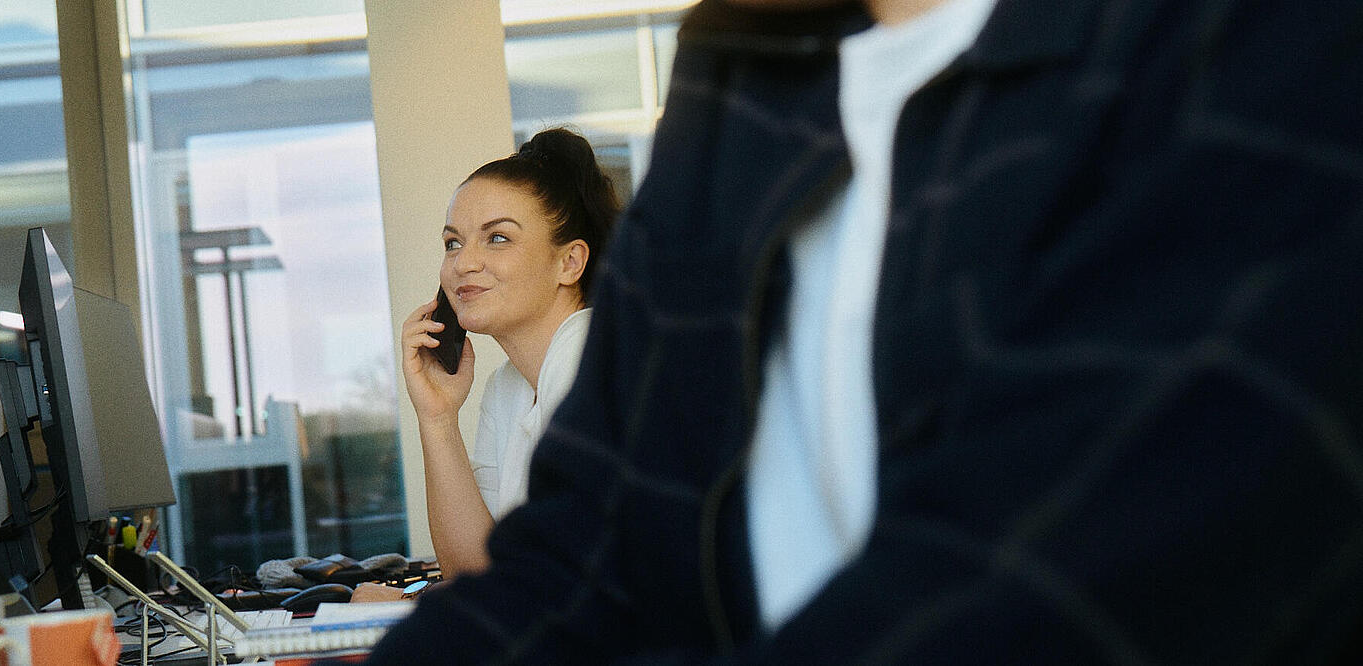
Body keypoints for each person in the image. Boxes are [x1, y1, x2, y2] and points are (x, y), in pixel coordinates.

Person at [369, 0, 1363, 662]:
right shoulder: (746, 73)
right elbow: (580, 564)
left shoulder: (1259, 40)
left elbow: (1042, 589)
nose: (465, 263)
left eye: (495, 237)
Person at [399, 128, 621, 576]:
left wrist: (416, 607)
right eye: (453, 243)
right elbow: (477, 574)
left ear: (570, 262)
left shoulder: (592, 359)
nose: (464, 263)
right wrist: (437, 419)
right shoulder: (510, 385)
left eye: (497, 238)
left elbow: (555, 586)